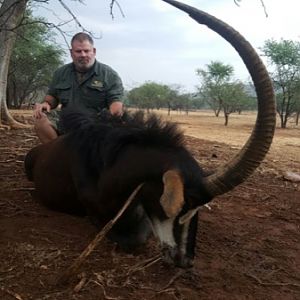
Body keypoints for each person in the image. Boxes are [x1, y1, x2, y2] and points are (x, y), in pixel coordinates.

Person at [33, 32, 124, 143]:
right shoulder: (60, 73)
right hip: (66, 122)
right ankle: (60, 153)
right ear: (71, 53)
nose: (83, 55)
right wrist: (45, 104)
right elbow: (52, 97)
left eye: (86, 51)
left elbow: (116, 107)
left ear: (94, 51)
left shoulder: (110, 75)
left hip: (94, 125)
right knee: (40, 119)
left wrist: (110, 121)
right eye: (78, 51)